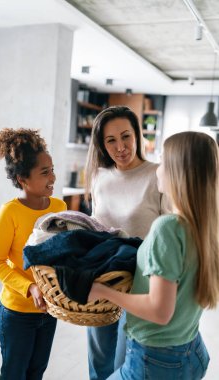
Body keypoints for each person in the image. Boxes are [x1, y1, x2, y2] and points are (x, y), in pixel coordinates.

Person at [88, 131, 219, 380]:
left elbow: (160, 311)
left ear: (178, 172)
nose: (157, 169)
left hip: (155, 361)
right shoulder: (206, 226)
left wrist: (103, 292)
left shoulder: (167, 228)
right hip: (191, 350)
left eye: (162, 161)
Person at [84, 106, 169, 380]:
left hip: (140, 285)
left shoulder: (157, 175)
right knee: (98, 361)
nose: (120, 147)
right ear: (101, 144)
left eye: (126, 136)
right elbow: (94, 228)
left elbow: (168, 233)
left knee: (124, 362)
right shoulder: (99, 177)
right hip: (102, 278)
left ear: (137, 136)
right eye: (111, 140)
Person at [0, 128, 66, 380]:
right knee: (14, 374)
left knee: (36, 372)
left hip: (49, 310)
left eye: (52, 169)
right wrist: (30, 288)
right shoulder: (9, 213)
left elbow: (61, 252)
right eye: (45, 172)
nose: (52, 177)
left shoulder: (59, 207)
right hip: (16, 313)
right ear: (23, 179)